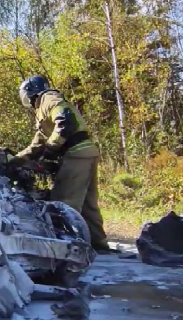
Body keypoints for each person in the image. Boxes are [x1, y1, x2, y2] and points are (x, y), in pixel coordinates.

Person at [11, 75, 111, 252]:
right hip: (87, 152)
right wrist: (14, 160)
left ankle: (68, 249)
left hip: (75, 154)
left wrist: (52, 148)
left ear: (28, 92)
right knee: (88, 206)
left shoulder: (47, 99)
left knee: (64, 203)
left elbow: (65, 121)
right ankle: (99, 245)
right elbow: (36, 145)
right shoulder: (43, 110)